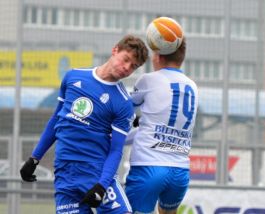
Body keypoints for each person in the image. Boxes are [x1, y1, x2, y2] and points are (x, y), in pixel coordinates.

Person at [20, 35, 148, 214]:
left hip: (96, 174)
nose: (127, 68)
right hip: (65, 174)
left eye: (134, 66)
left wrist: (102, 186)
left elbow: (116, 150)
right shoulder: (73, 77)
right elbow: (56, 121)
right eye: (126, 59)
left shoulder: (123, 103)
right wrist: (34, 158)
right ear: (115, 50)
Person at [124, 37, 199, 214]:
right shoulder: (192, 86)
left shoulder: (148, 80)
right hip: (179, 170)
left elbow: (124, 110)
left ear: (158, 56)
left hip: (149, 165)